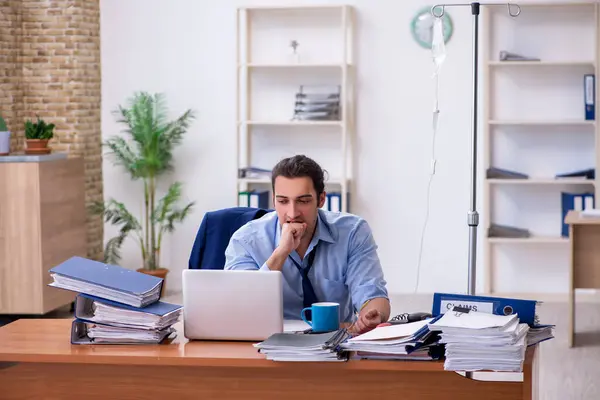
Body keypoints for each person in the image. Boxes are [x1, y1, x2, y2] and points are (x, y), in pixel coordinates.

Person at [224, 155, 390, 335]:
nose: (292, 213)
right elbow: (241, 306)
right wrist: (281, 252)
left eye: (303, 201)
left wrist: (372, 316)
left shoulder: (352, 232)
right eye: (283, 201)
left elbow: (372, 293)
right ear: (274, 200)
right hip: (268, 342)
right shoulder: (246, 239)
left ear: (321, 200)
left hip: (335, 342)